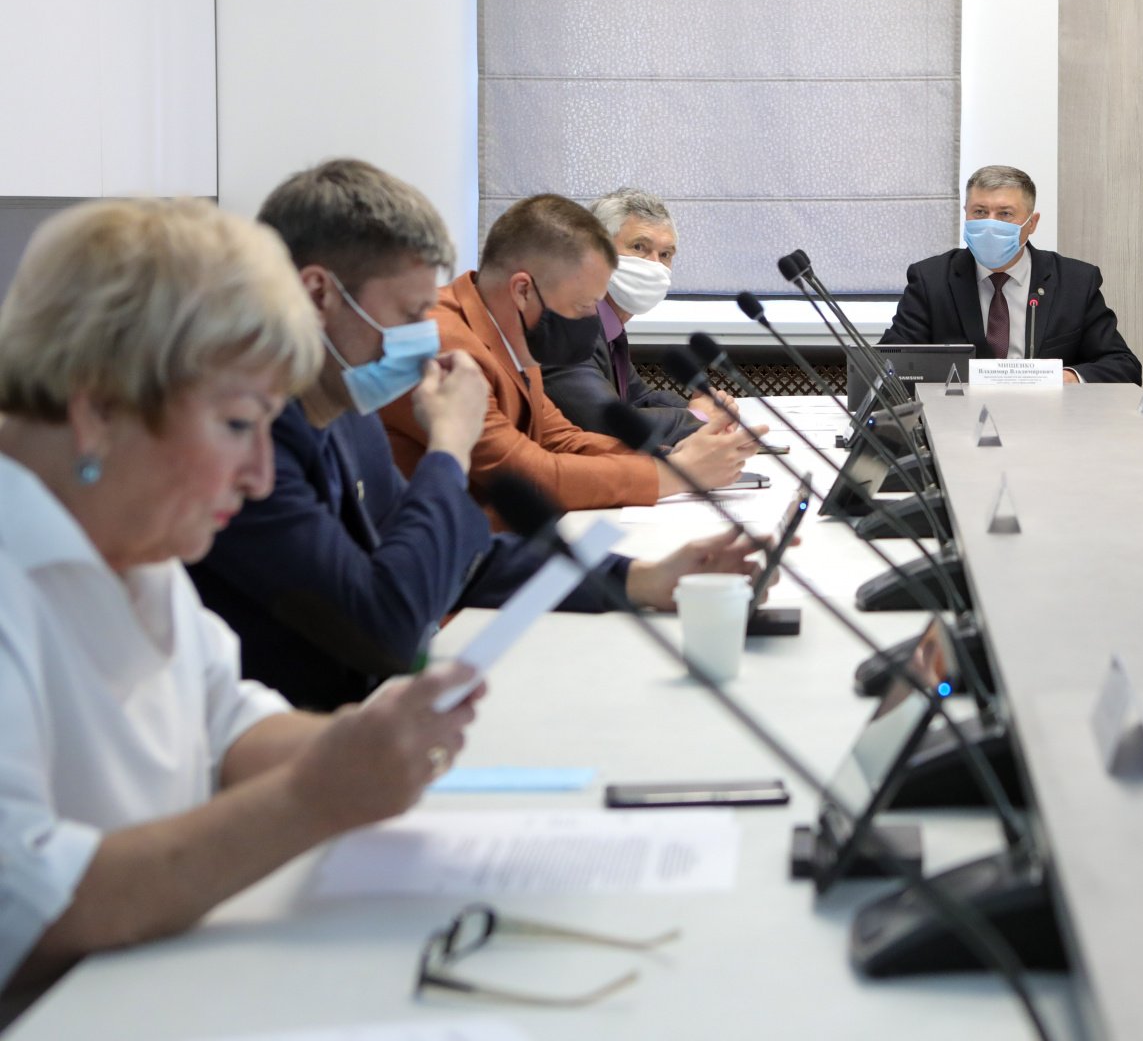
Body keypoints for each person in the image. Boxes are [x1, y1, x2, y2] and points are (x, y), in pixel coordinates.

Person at [0, 199, 481, 1011]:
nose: (260, 475)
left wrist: (380, 745)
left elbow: (227, 725)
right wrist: (312, 797)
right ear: (99, 409)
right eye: (235, 423)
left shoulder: (138, 542)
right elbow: (29, 904)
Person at [188, 162, 763, 711]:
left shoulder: (346, 411)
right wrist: (447, 449)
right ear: (319, 295)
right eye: (410, 312)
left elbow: (468, 558)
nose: (424, 332)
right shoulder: (252, 447)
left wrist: (640, 579)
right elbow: (384, 625)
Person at [381, 194, 761, 517]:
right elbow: (528, 474)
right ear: (523, 291)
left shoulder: (512, 332)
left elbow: (563, 440)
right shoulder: (439, 347)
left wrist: (669, 455)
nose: (593, 319)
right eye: (584, 305)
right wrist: (678, 473)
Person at [880, 165, 1141, 384]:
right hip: (958, 418)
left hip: (1048, 419)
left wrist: (1068, 378)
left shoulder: (1075, 282)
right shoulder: (931, 279)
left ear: (1032, 223)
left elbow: (1123, 366)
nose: (990, 223)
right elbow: (889, 366)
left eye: (1005, 214)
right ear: (966, 214)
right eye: (980, 212)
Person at [542, 188, 710, 450]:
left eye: (665, 255)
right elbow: (609, 422)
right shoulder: (564, 325)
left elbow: (637, 398)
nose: (655, 265)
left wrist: (704, 407)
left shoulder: (607, 325)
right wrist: (698, 418)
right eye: (639, 247)